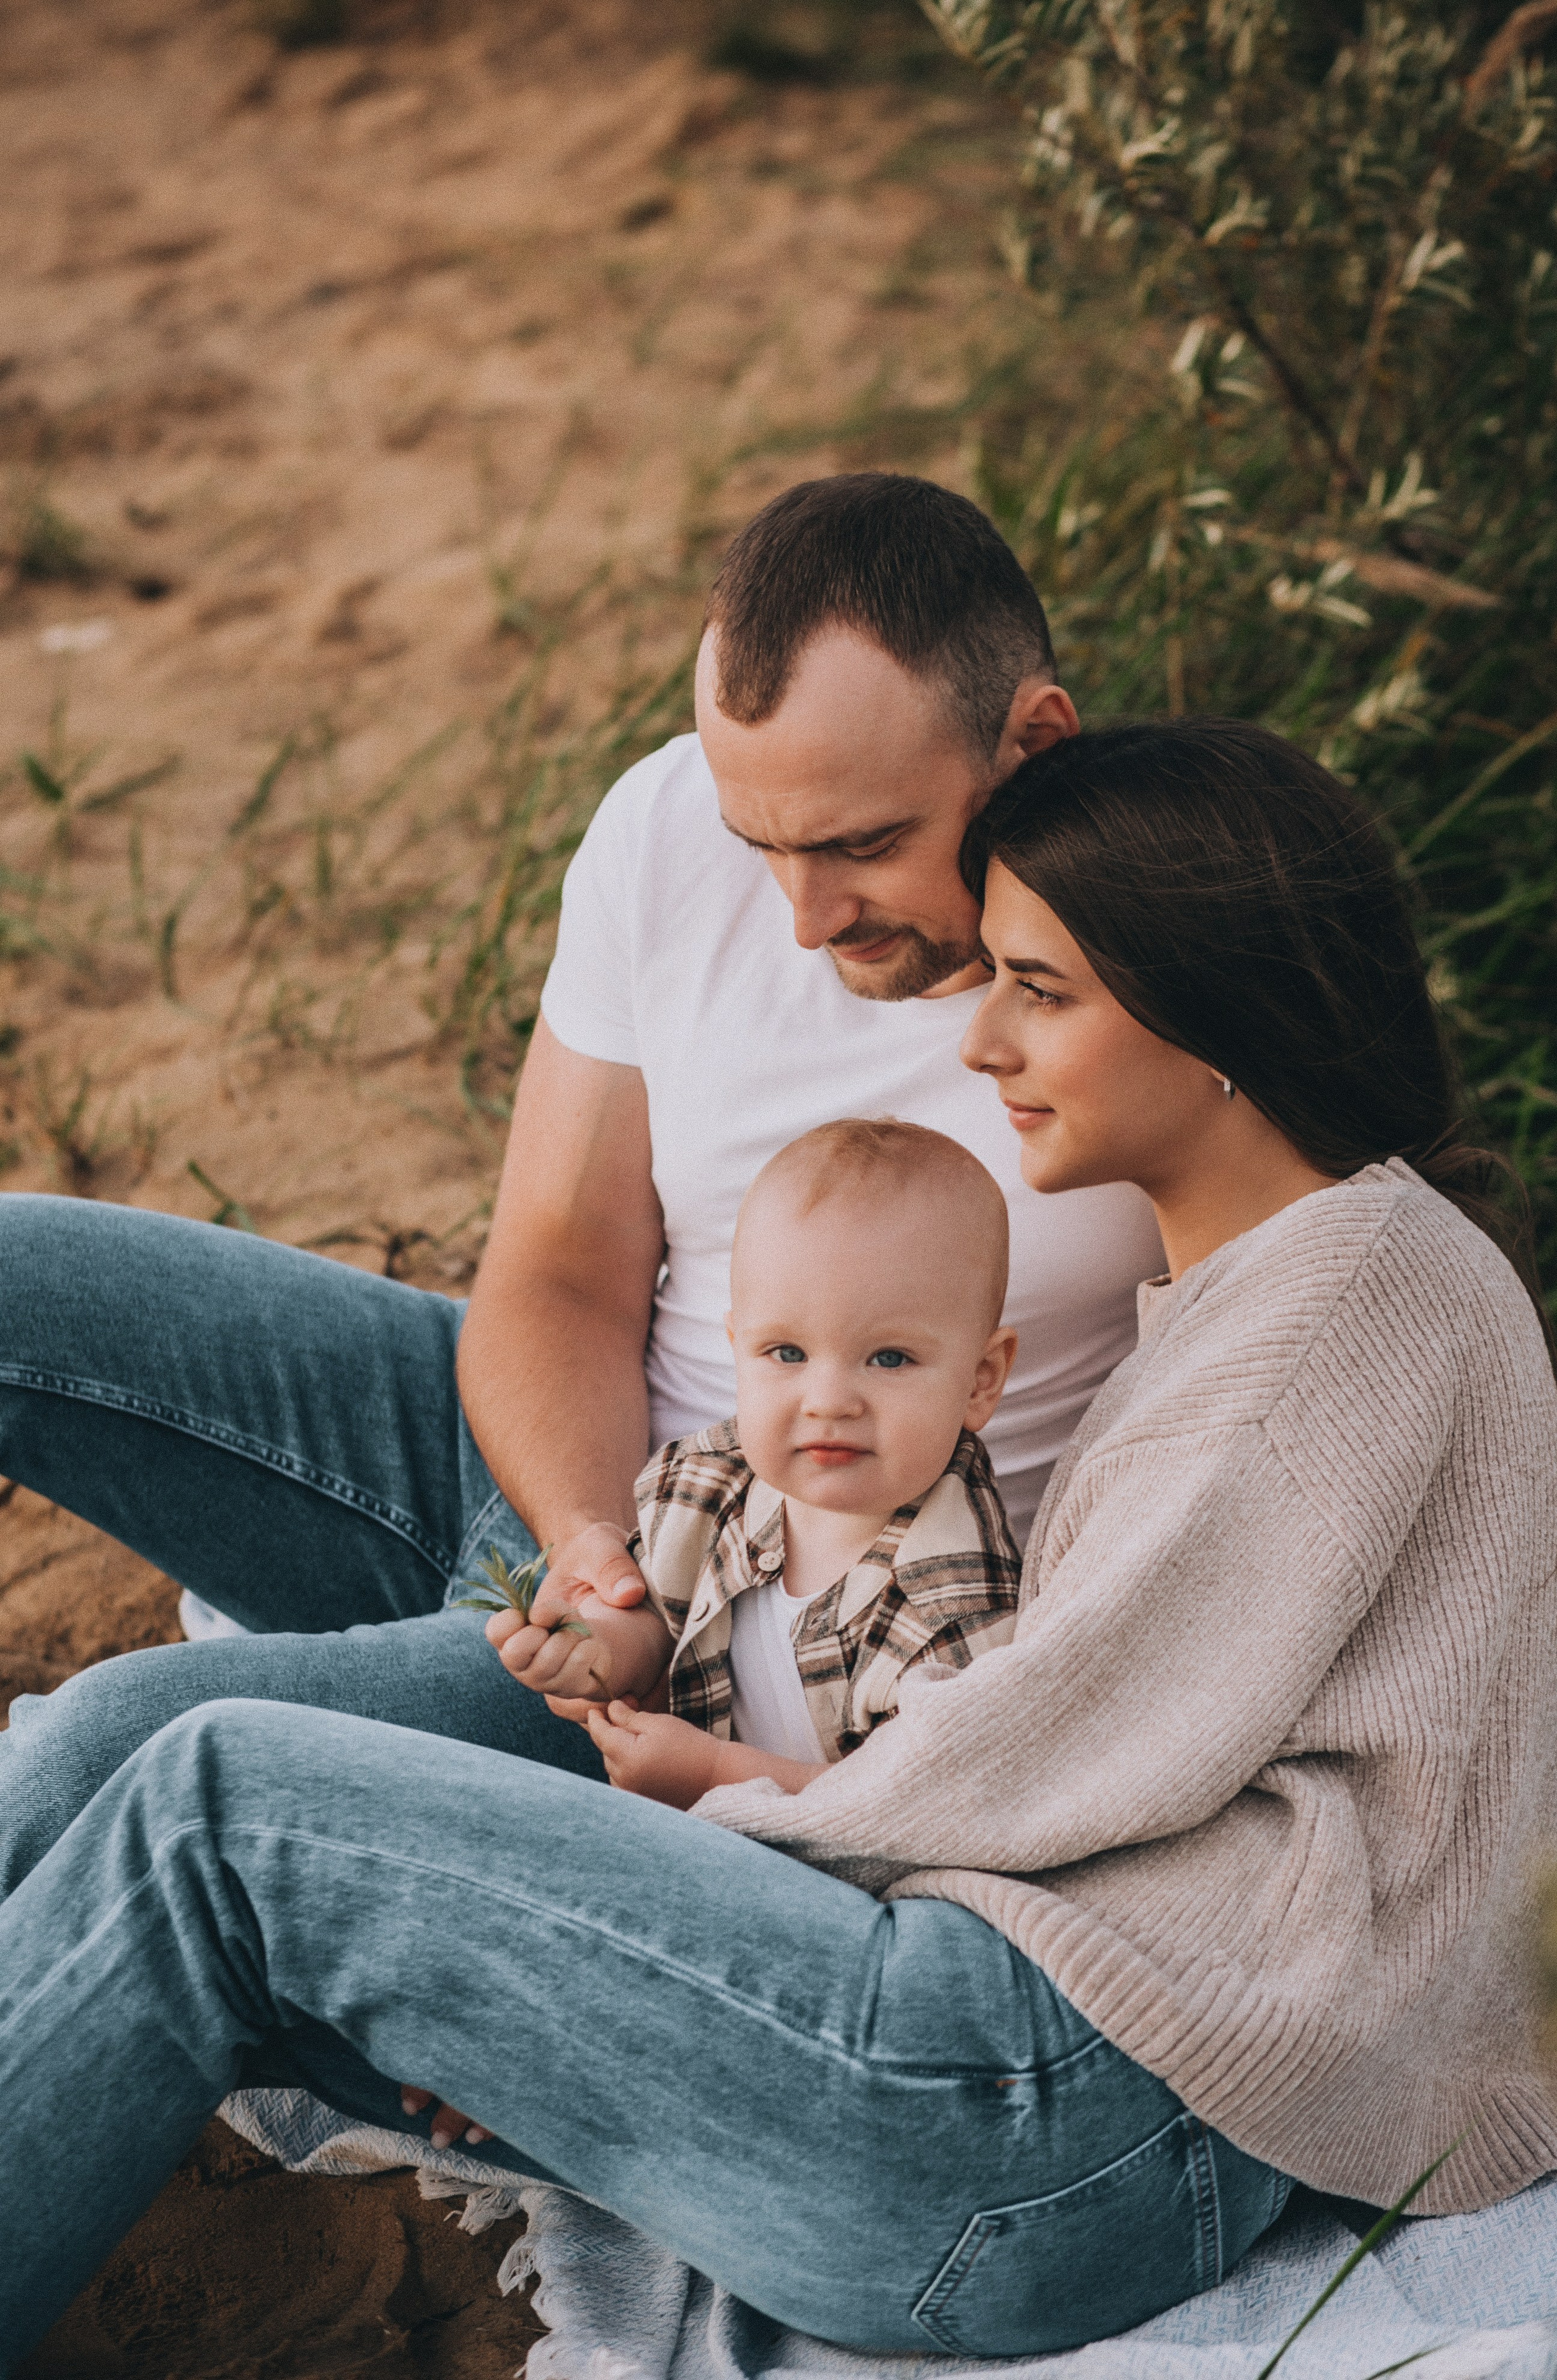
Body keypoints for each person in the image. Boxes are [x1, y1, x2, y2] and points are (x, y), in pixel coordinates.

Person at [2, 720, 1557, 2367]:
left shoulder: (1351, 1292)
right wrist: (533, 1978)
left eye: (1041, 991)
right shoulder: (1277, 1291)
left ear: (1220, 1014)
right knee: (182, 1788)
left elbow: (1040, 1755)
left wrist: (661, 1865)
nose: (979, 1046)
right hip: (1045, 2110)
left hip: (1056, 2109)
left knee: (215, 1802)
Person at [0, 474, 1162, 1897]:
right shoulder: (666, 824)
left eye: (862, 845)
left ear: (1031, 741)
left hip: (711, 1645)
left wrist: (644, 1616)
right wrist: (585, 1545)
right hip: (563, 1482)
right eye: (762, 847)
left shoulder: (1156, 987)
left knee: (109, 1741)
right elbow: (557, 1266)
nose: (803, 920)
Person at [514, 1116, 1021, 1811]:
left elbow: (920, 1811)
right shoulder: (712, 1486)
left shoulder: (956, 1606)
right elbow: (661, 1620)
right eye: (786, 1353)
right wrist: (599, 1653)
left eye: (889, 1358)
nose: (828, 1402)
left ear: (979, 1380)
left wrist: (713, 1773)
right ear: (737, 1347)